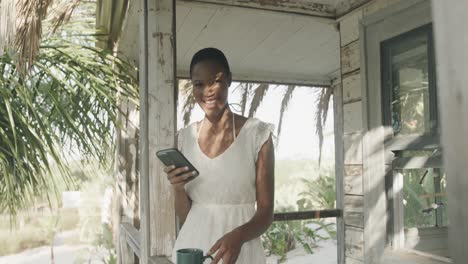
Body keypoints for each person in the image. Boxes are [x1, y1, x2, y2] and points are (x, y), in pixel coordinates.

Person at [164, 47, 275, 264]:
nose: (208, 91)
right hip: (193, 251)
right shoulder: (184, 139)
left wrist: (239, 236)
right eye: (199, 84)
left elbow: (266, 212)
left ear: (229, 80)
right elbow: (187, 215)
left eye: (215, 81)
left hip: (242, 252)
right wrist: (177, 188)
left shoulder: (257, 135)